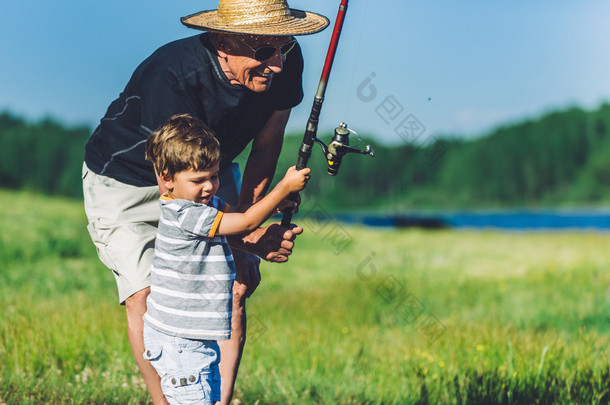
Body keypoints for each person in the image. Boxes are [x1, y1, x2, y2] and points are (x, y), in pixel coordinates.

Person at [82, 0, 329, 403]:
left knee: (236, 283)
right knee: (146, 295)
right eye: (264, 51)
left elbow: (267, 145)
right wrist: (246, 234)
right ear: (223, 42)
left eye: (284, 48)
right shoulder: (173, 75)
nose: (278, 64)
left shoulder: (286, 61)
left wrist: (249, 229)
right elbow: (184, 204)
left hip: (206, 174)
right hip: (129, 180)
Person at [141, 114, 310, 404]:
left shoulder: (203, 204)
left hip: (191, 339)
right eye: (198, 180)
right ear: (167, 179)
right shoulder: (185, 213)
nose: (210, 187)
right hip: (181, 343)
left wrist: (277, 205)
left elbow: (238, 214)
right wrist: (283, 188)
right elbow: (245, 222)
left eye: (214, 176)